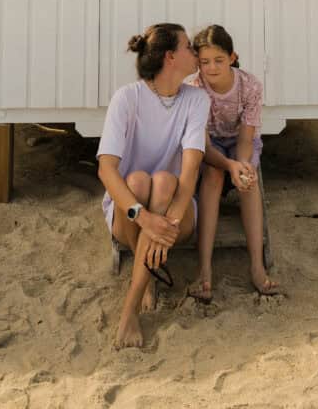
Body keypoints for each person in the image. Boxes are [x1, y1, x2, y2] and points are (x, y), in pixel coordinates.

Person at [97, 23, 209, 348]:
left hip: (176, 208)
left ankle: (132, 301)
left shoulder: (196, 100)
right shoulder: (127, 99)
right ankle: (144, 280)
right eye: (189, 47)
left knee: (162, 182)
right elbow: (106, 170)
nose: (196, 53)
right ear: (171, 57)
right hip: (129, 213)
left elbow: (189, 172)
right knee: (136, 180)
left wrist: (169, 218)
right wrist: (145, 219)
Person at [188, 24, 283, 302]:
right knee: (213, 177)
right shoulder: (194, 88)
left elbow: (246, 135)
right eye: (204, 62)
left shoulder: (250, 85)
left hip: (240, 141)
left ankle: (256, 265)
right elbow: (203, 145)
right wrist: (227, 165)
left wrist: (241, 165)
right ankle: (205, 267)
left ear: (232, 57)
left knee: (248, 179)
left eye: (218, 60)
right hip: (211, 146)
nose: (211, 67)